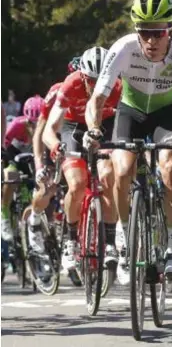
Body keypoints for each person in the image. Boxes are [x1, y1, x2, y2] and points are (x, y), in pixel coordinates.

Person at [85, 0, 172, 284]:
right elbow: (97, 99)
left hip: (166, 112)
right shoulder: (123, 48)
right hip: (131, 110)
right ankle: (124, 234)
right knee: (122, 169)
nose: (151, 41)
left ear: (170, 31)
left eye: (158, 33)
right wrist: (93, 129)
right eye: (145, 32)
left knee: (171, 166)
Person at [43, 46, 122, 273]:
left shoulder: (117, 86)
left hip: (104, 126)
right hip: (73, 128)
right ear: (82, 76)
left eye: (101, 80)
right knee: (77, 185)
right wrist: (56, 145)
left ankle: (108, 243)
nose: (96, 86)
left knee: (108, 177)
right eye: (90, 80)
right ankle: (70, 241)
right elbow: (50, 128)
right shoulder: (71, 84)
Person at [27, 57, 82, 253]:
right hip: (52, 144)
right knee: (47, 188)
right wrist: (39, 165)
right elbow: (39, 132)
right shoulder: (58, 91)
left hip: (75, 142)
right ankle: (34, 220)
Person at [1, 95, 44, 241]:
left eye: (39, 123)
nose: (35, 127)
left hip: (33, 157)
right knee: (11, 177)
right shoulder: (17, 124)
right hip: (14, 154)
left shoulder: (48, 126)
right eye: (32, 123)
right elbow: (4, 144)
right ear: (26, 119)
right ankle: (4, 213)